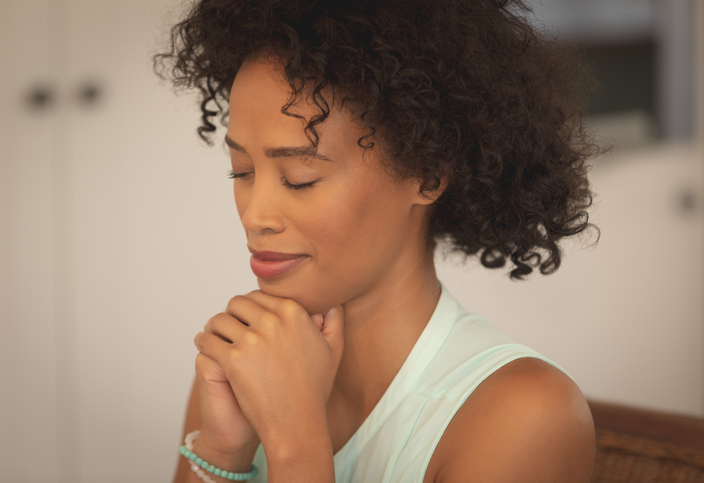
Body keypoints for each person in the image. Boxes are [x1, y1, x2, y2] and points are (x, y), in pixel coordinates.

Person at [156, 0, 601, 481]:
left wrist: (296, 443)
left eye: (299, 177)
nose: (254, 215)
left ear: (426, 175)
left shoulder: (526, 416)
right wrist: (222, 453)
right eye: (241, 170)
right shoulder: (242, 366)